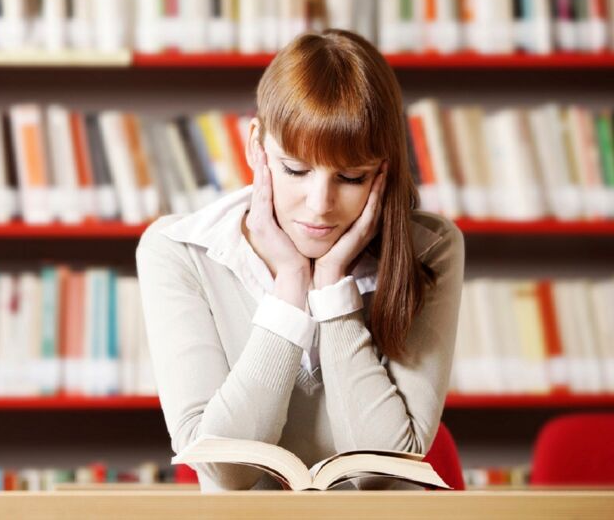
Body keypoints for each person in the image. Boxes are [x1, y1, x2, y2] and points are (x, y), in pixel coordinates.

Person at [135, 29, 464, 491]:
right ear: (256, 146)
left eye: (351, 177)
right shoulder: (180, 250)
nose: (320, 203)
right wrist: (290, 289)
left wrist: (332, 290)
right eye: (295, 170)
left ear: (384, 170)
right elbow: (226, 471)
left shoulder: (430, 249)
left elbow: (381, 473)